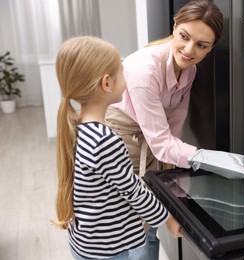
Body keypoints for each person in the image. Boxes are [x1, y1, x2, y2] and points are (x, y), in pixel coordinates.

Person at [53, 36, 181, 260]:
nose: (126, 78)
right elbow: (135, 192)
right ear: (106, 83)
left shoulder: (76, 125)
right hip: (108, 249)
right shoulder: (105, 140)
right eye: (122, 72)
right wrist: (169, 220)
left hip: (85, 241)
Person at [105, 0, 224, 177]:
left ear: (211, 48)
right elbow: (161, 142)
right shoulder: (145, 71)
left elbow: (176, 123)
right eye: (184, 36)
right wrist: (212, 160)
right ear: (175, 27)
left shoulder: (190, 70)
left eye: (201, 45)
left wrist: (171, 169)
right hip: (121, 144)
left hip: (155, 142)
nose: (189, 50)